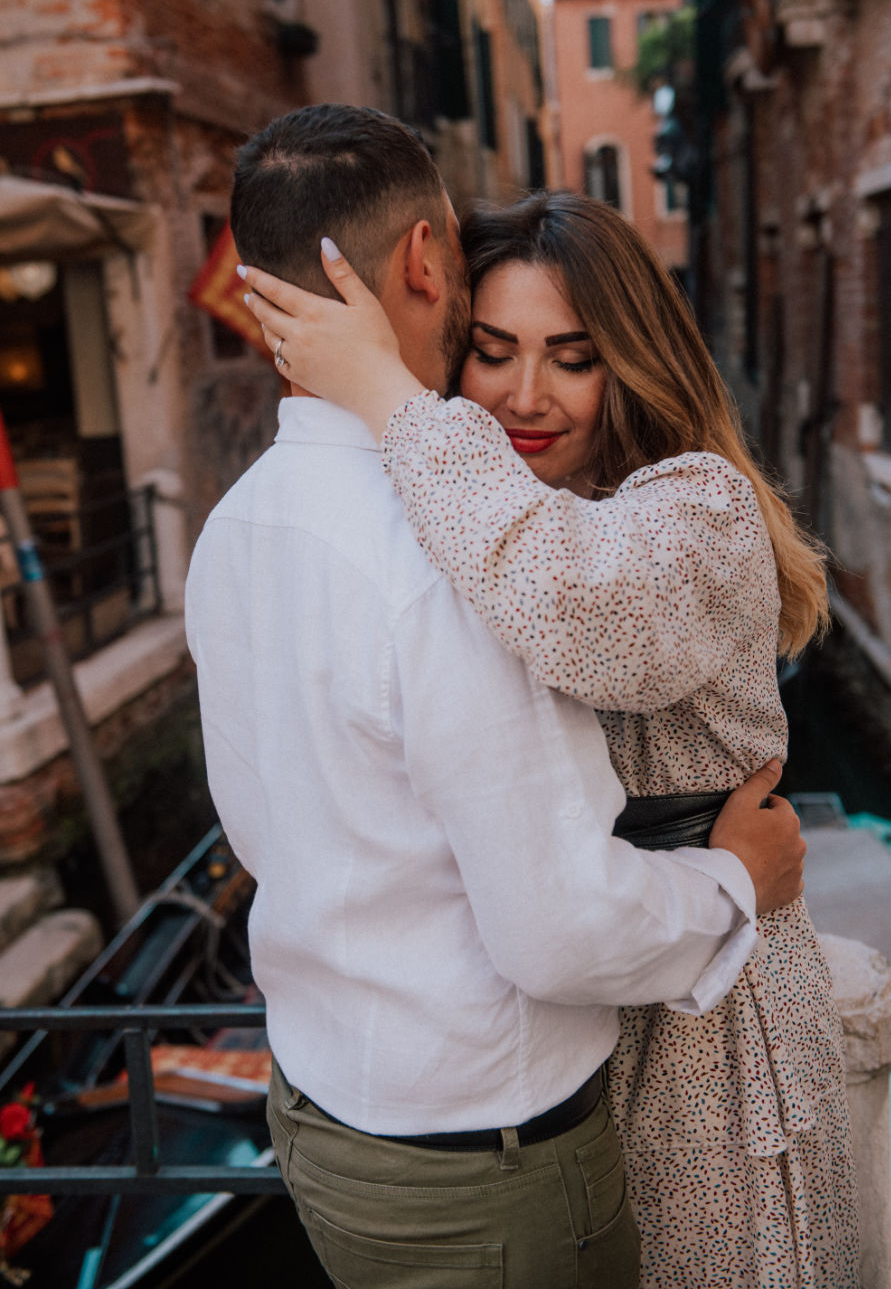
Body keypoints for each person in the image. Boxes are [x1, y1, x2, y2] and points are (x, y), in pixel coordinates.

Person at [187, 106, 807, 1289]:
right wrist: (735, 875)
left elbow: (578, 599)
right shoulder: (443, 556)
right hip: (520, 1093)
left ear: (635, 357)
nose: (526, 394)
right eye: (494, 346)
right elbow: (558, 924)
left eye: (575, 355)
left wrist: (386, 392)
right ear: (430, 271)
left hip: (652, 1048)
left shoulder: (239, 527)